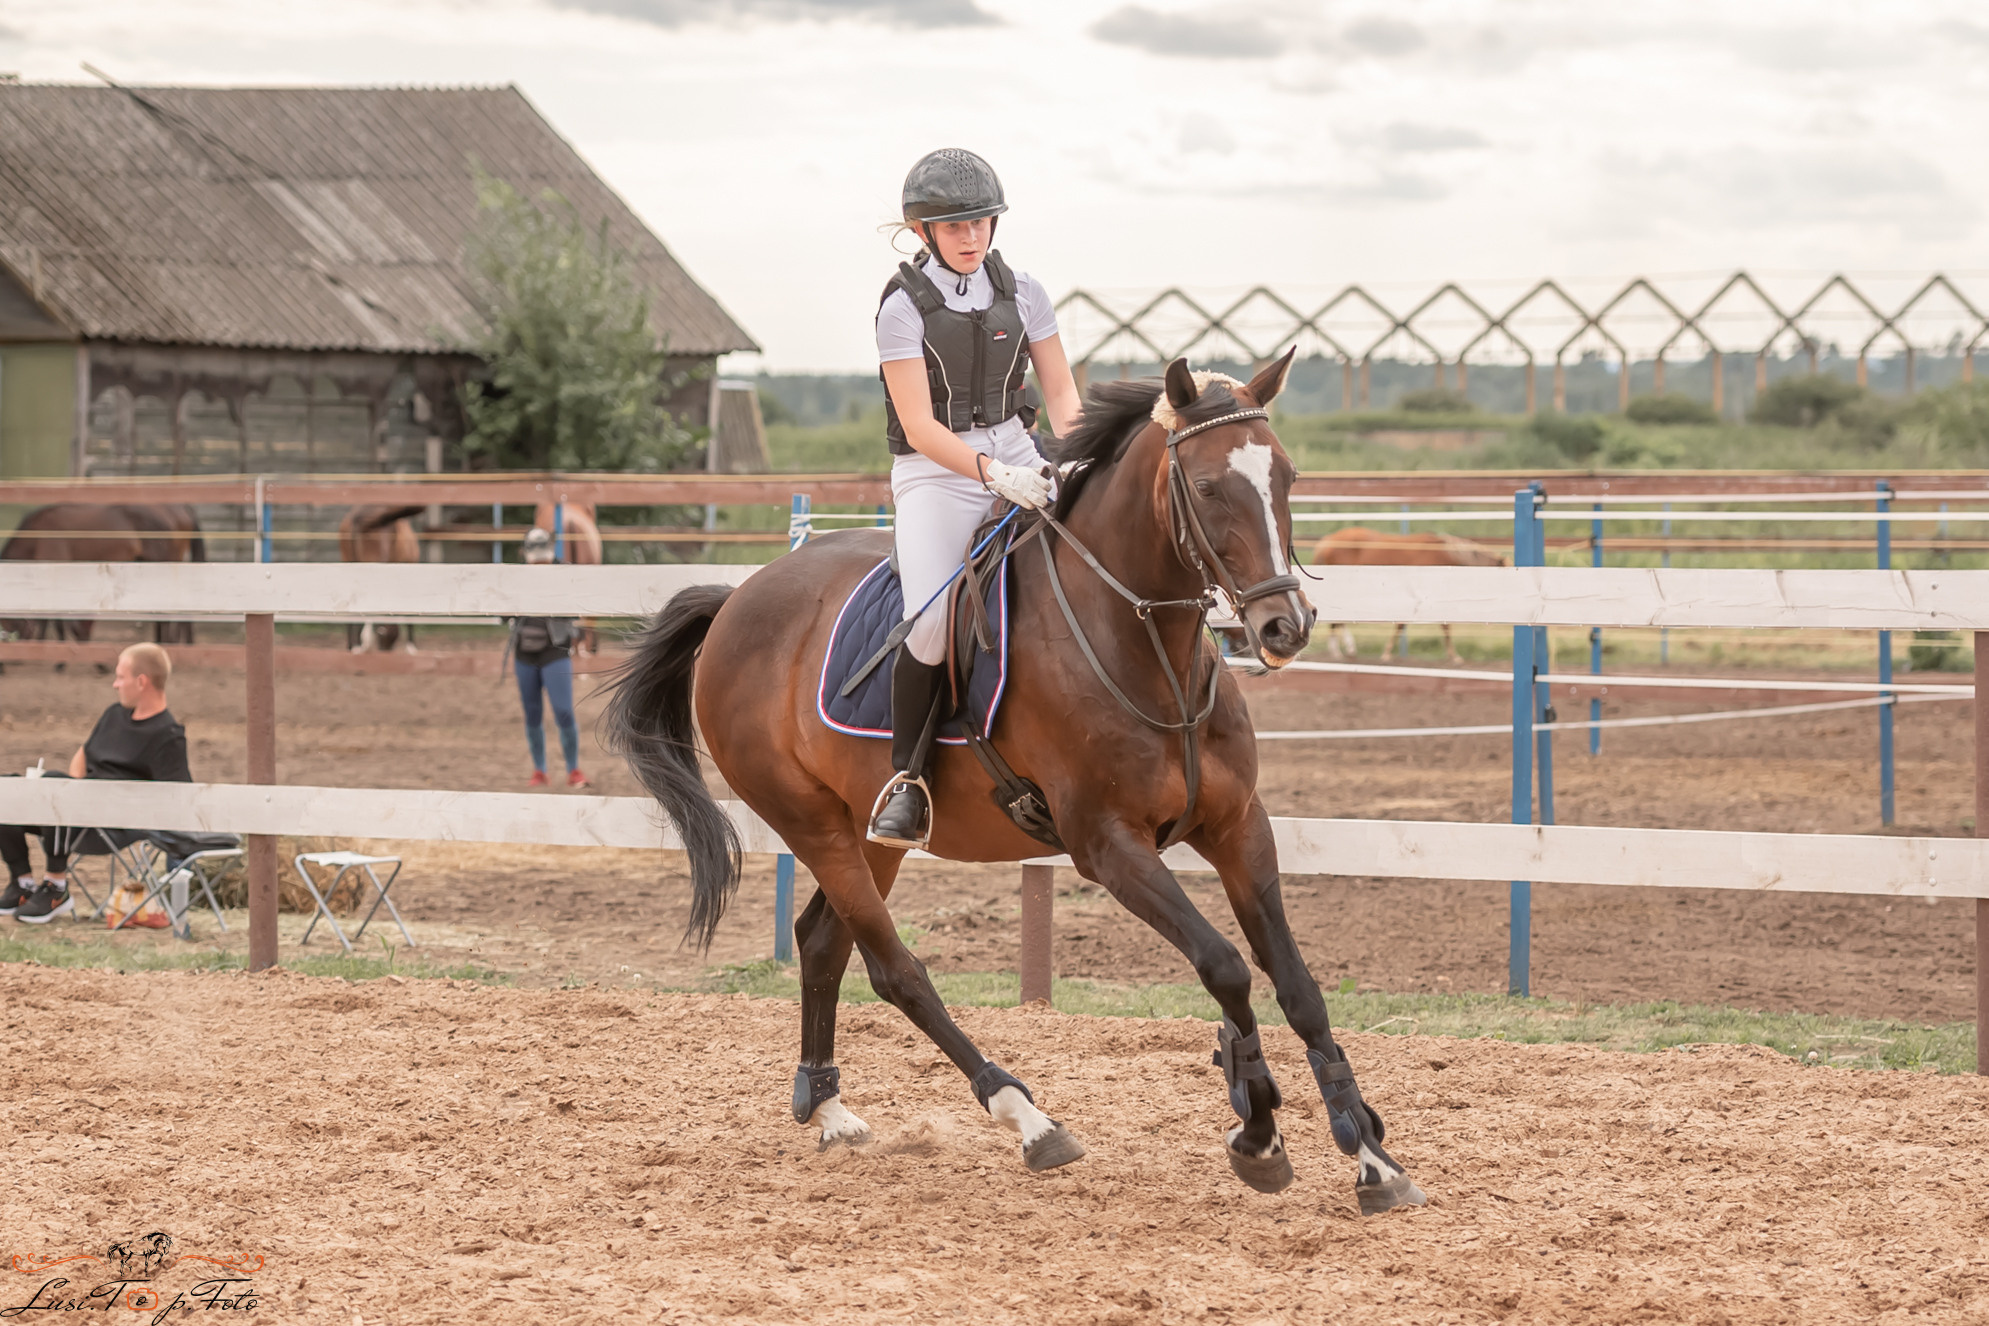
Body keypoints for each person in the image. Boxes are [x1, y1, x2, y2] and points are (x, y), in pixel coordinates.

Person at [866, 148, 1083, 849]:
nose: (970, 237)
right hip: (936, 471)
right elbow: (919, 425)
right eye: (955, 226)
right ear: (922, 231)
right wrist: (990, 475)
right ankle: (908, 780)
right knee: (931, 620)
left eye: (981, 222)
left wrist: (1078, 453)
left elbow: (1059, 392)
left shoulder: (1026, 292)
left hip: (1018, 449)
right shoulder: (901, 307)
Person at [1, 643, 191, 923]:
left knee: (56, 786)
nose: (115, 684)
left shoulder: (168, 736)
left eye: (121, 677)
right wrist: (75, 795)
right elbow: (84, 754)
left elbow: (176, 797)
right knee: (7, 787)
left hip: (114, 825)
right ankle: (23, 882)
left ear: (141, 682)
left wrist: (74, 798)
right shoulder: (114, 714)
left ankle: (56, 887)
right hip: (77, 811)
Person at [509, 527, 589, 789]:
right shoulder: (517, 576)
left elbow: (576, 607)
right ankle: (539, 770)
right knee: (532, 713)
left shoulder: (564, 573)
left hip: (555, 651)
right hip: (525, 653)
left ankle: (573, 769)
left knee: (564, 711)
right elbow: (503, 610)